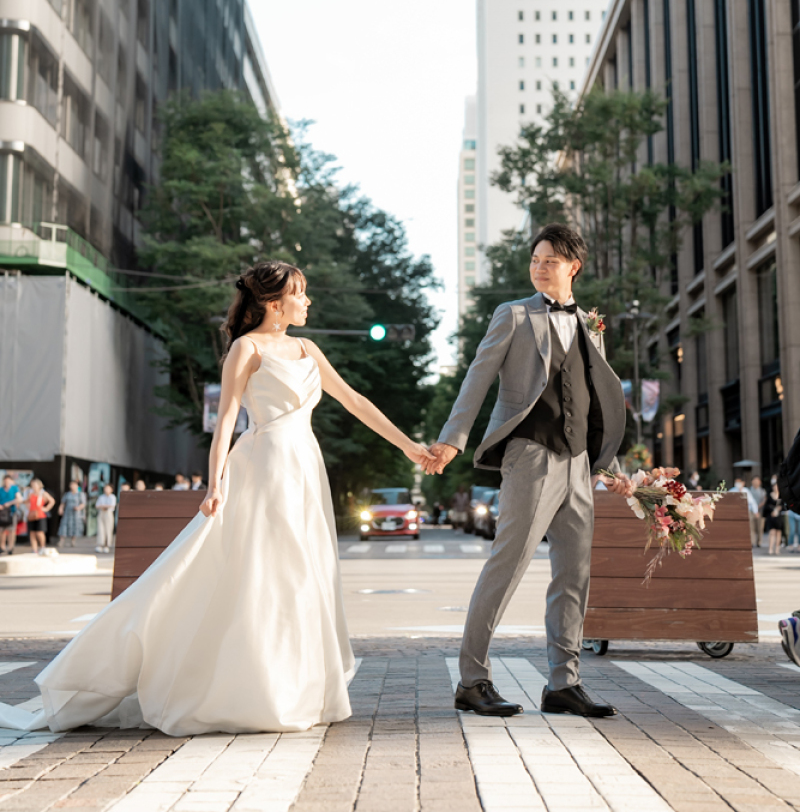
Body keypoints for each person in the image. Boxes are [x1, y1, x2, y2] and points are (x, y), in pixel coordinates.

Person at [0, 260, 434, 736]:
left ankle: (296, 687)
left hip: (305, 470)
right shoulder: (245, 349)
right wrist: (216, 484)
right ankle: (252, 689)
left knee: (303, 575)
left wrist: (411, 447)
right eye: (300, 294)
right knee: (262, 574)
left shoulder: (308, 349)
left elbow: (355, 402)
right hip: (263, 467)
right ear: (274, 303)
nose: (307, 301)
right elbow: (226, 420)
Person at [426, 223, 625, 719]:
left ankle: (564, 684)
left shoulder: (589, 324)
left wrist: (614, 467)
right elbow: (478, 377)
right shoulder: (513, 316)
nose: (539, 267)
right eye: (535, 259)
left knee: (573, 576)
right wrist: (452, 439)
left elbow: (596, 400)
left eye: (550, 260)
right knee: (506, 567)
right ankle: (472, 680)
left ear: (573, 267)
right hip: (531, 455)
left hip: (579, 461)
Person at [26, 479, 55, 555]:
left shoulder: (43, 494)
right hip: (32, 515)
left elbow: (52, 501)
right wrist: (28, 508)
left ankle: (42, 547)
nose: (34, 487)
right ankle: (34, 549)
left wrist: (46, 508)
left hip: (40, 515)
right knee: (32, 533)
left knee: (40, 532)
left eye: (35, 485)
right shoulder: (30, 494)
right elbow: (26, 502)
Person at [57, 481, 86, 548]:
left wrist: (78, 507)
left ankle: (73, 541)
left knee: (74, 526)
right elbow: (63, 502)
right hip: (67, 512)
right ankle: (61, 540)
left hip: (76, 513)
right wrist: (61, 509)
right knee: (64, 525)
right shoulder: (67, 494)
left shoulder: (80, 494)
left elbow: (83, 504)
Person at [0, 474, 22, 554]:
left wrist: (9, 503)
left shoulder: (14, 488)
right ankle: (1, 547)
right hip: (1, 513)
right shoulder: (1, 489)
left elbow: (19, 499)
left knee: (11, 530)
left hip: (11, 512)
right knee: (1, 530)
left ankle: (10, 547)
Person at [95, 485, 117, 554]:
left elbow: (112, 505)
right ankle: (100, 544)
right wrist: (104, 506)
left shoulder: (113, 497)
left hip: (108, 513)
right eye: (105, 488)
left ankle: (107, 545)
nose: (106, 490)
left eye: (108, 488)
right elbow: (97, 505)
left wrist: (103, 506)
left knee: (108, 529)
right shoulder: (101, 497)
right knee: (101, 529)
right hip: (101, 513)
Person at [764, 482, 784, 555]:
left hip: (779, 516)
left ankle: (777, 549)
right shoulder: (769, 495)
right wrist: (772, 511)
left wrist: (780, 508)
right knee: (772, 532)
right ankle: (770, 548)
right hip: (771, 516)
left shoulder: (782, 496)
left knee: (778, 533)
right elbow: (766, 506)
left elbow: (785, 506)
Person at [748, 476, 766, 548]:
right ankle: (751, 542)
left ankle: (759, 542)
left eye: (757, 481)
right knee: (751, 527)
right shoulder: (749, 490)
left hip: (760, 511)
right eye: (754, 481)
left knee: (760, 528)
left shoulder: (762, 491)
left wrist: (757, 507)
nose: (755, 482)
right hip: (750, 511)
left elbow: (764, 500)